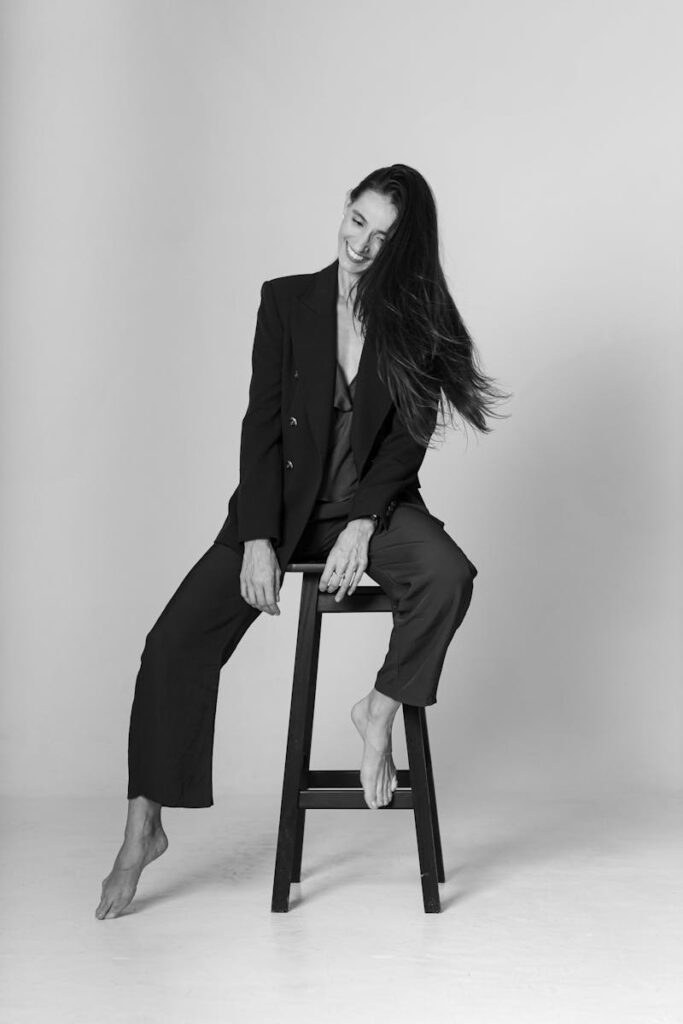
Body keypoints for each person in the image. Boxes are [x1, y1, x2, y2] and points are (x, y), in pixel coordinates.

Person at [95, 163, 508, 920]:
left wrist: (360, 522)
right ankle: (141, 827)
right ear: (343, 210)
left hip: (372, 510)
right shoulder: (287, 300)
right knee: (173, 643)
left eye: (381, 237)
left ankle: (378, 710)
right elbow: (261, 423)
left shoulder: (420, 317)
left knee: (448, 574)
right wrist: (257, 537)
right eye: (356, 222)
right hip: (281, 510)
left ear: (402, 247)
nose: (361, 244)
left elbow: (407, 439)